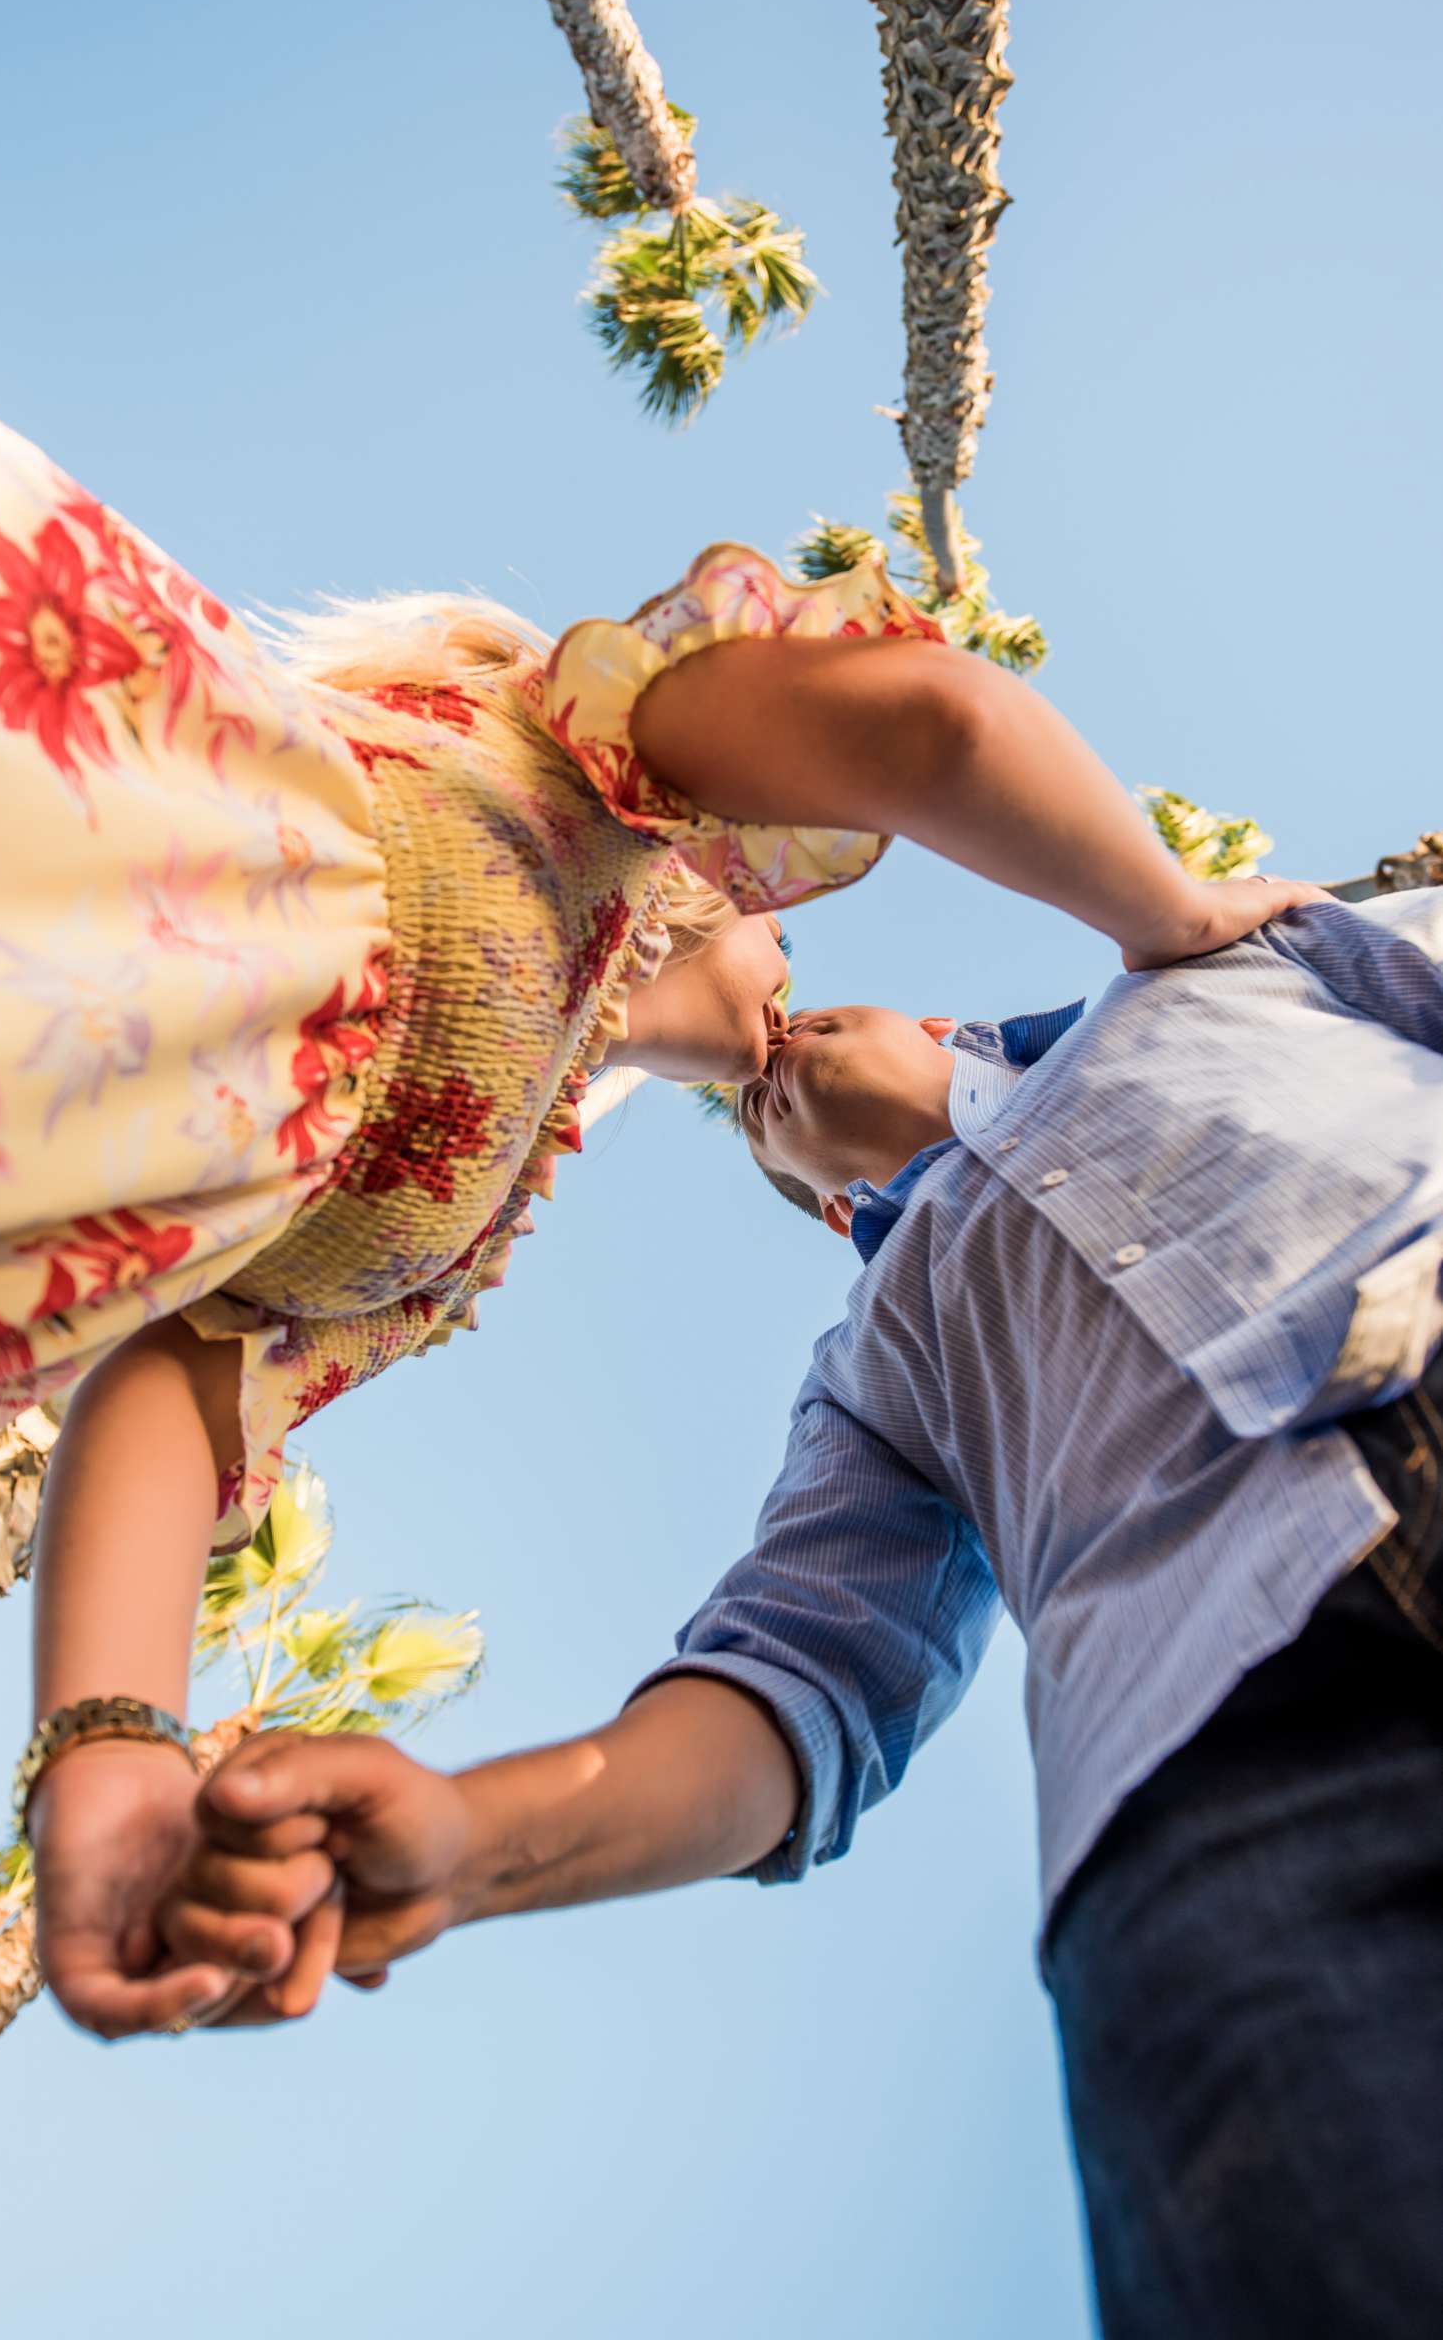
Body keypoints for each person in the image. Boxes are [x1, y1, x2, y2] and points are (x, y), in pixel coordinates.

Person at [0, 324, 1315, 2037]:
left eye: (763, 1147)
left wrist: (104, 1752)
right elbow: (929, 726)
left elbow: (174, 1394)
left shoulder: (441, 1254)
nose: (779, 1050)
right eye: (803, 971)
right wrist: (1175, 917)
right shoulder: (587, 759)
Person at [161, 884, 1443, 2337]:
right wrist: (470, 1843)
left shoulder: (1227, 964)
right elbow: (794, 1689)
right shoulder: (875, 1367)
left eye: (825, 1007)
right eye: (753, 1127)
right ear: (832, 1206)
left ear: (941, 1025)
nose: (775, 1071)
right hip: (1218, 1788)